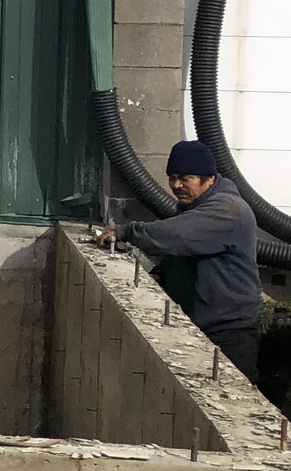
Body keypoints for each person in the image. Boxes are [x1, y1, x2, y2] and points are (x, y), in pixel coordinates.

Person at [102, 139, 264, 381]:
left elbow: (176, 235)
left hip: (229, 332)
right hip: (199, 323)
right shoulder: (192, 206)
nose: (176, 185)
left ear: (208, 178)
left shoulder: (227, 210)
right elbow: (183, 252)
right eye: (172, 177)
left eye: (185, 178)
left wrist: (125, 232)